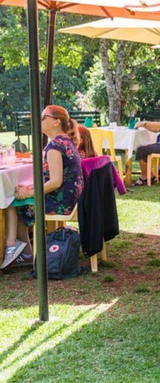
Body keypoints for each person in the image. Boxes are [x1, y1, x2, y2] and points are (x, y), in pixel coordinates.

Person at [2, 106, 83, 269]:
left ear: (56, 122)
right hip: (68, 198)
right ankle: (23, 253)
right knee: (18, 198)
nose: (39, 121)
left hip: (61, 203)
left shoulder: (55, 146)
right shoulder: (65, 141)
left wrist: (29, 192)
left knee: (12, 200)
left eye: (43, 117)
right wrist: (29, 188)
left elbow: (55, 182)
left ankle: (14, 247)